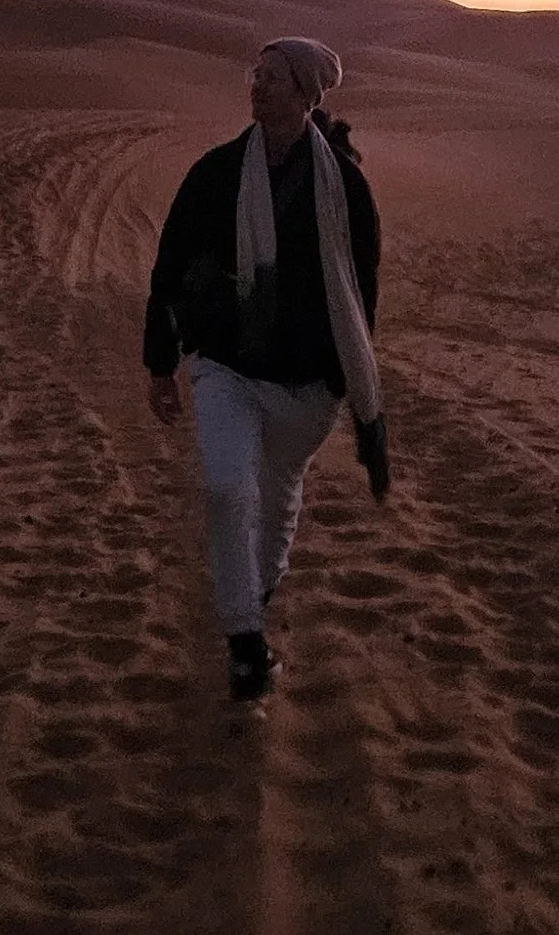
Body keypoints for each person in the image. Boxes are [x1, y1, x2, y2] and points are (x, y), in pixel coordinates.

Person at [145, 36, 389, 701]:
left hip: (308, 382)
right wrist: (159, 362)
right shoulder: (219, 172)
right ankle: (247, 644)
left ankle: (252, 598)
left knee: (279, 498)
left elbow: (359, 290)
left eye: (273, 77)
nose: (257, 86)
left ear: (306, 94)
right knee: (228, 488)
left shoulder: (344, 185)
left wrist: (354, 383)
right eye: (255, 74)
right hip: (228, 363)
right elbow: (171, 263)